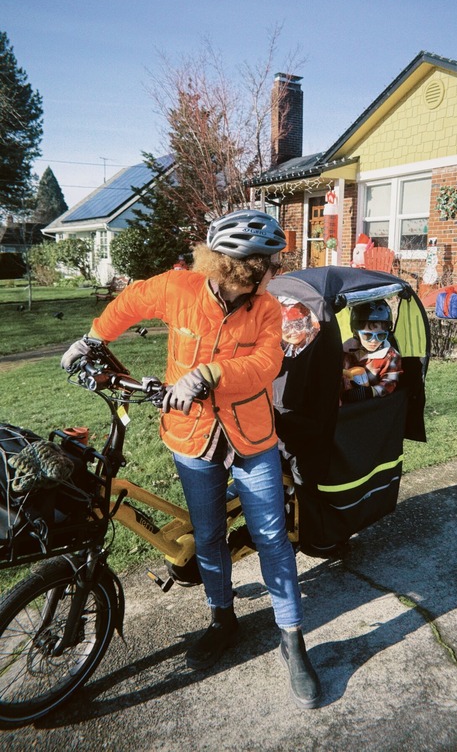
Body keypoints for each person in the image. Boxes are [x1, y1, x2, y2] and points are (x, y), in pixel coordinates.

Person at [60, 209, 321, 710]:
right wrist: (94, 338)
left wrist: (208, 375)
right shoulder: (178, 289)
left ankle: (292, 640)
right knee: (206, 536)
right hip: (193, 436)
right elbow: (132, 301)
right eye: (255, 271)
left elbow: (266, 364)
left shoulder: (267, 308)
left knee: (270, 536)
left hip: (252, 436)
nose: (262, 281)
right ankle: (223, 621)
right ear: (227, 267)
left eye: (265, 271)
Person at [341, 300, 402, 402]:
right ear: (356, 333)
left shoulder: (390, 356)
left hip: (372, 406)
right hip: (346, 403)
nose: (373, 341)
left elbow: (390, 383)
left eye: (380, 336)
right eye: (367, 335)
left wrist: (370, 392)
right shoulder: (347, 350)